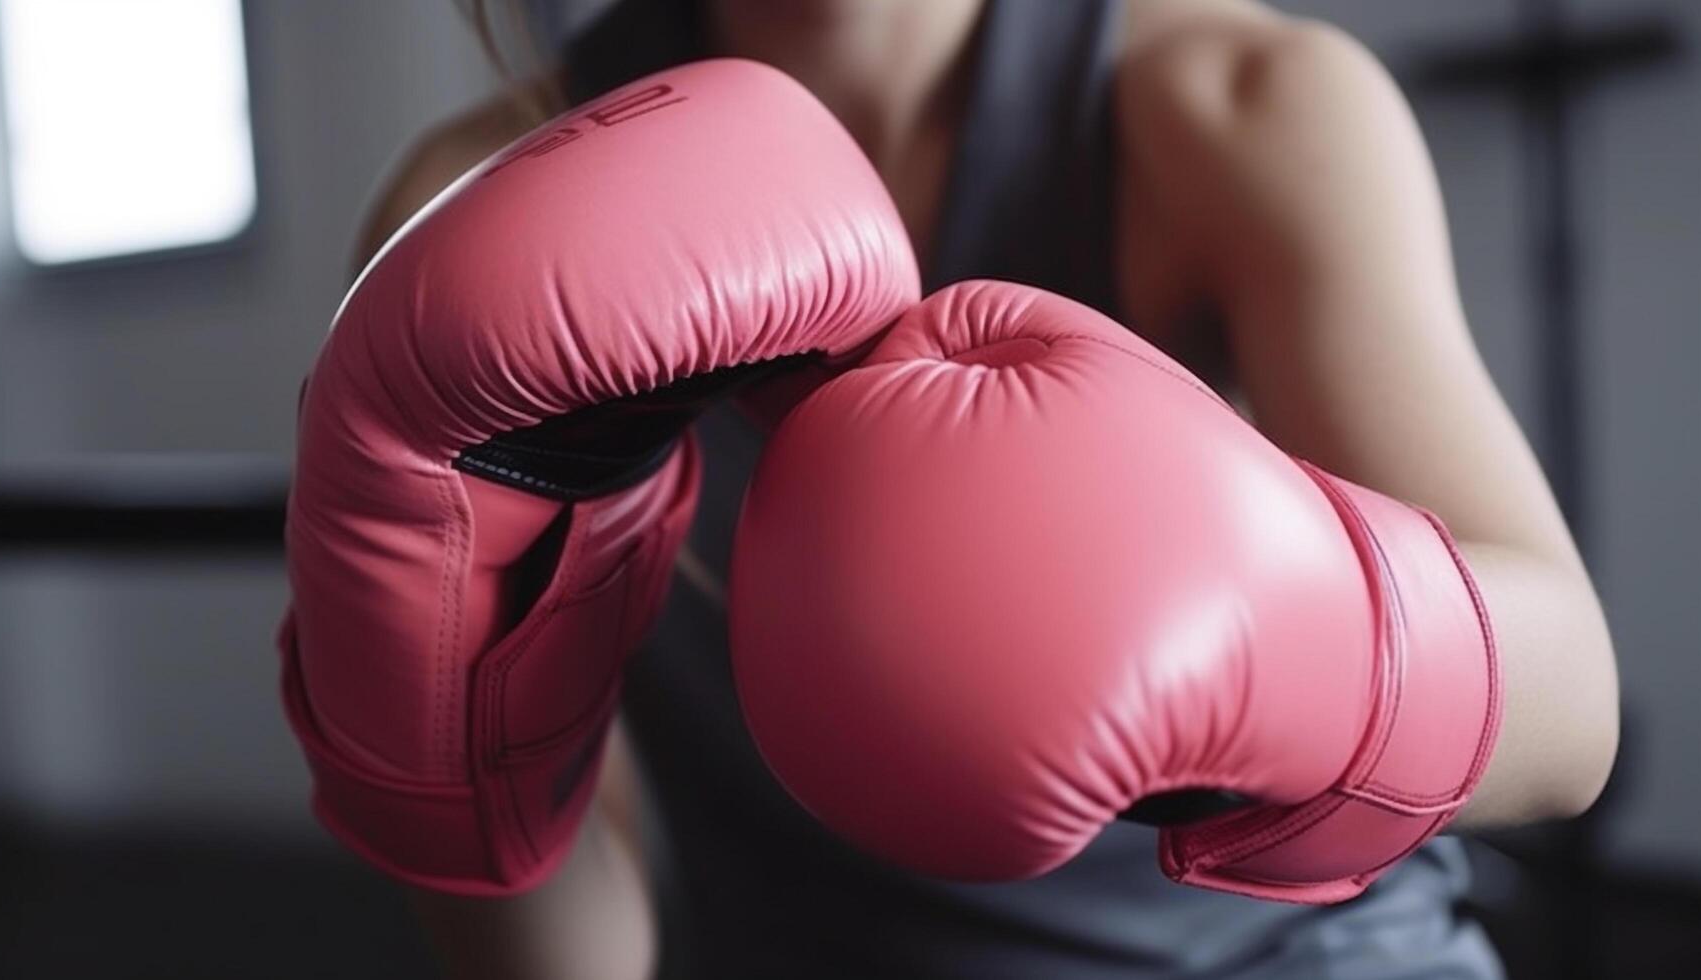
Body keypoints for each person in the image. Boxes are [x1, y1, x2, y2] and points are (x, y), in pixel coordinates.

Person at [329, 1, 1619, 976]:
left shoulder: (1236, 103)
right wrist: (445, 739)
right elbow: (579, 962)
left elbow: (1569, 708)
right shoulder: (475, 216)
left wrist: (1286, 631)